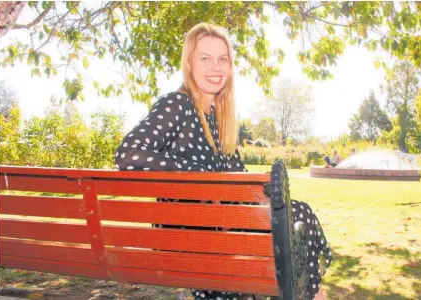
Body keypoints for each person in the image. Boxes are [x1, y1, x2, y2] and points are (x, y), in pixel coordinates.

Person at [114, 23, 332, 300]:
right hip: (189, 238)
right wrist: (199, 174)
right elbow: (128, 154)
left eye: (222, 59)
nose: (215, 67)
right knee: (294, 219)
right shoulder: (177, 105)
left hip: (221, 230)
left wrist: (266, 194)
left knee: (292, 216)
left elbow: (239, 184)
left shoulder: (221, 119)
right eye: (204, 58)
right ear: (189, 64)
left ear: (230, 67)